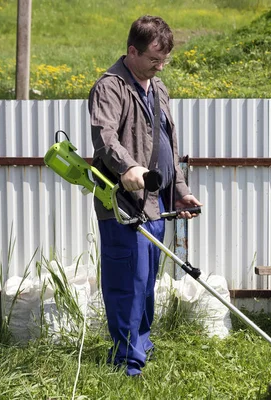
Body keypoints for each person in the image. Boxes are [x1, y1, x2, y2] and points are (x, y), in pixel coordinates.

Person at [88, 15, 202, 377]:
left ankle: (141, 346)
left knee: (147, 280)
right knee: (127, 282)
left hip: (157, 203)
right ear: (131, 51)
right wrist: (128, 168)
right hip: (124, 203)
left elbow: (169, 145)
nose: (160, 65)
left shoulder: (159, 88)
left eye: (164, 59)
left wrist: (179, 191)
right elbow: (106, 137)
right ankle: (126, 362)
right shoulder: (110, 87)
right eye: (154, 58)